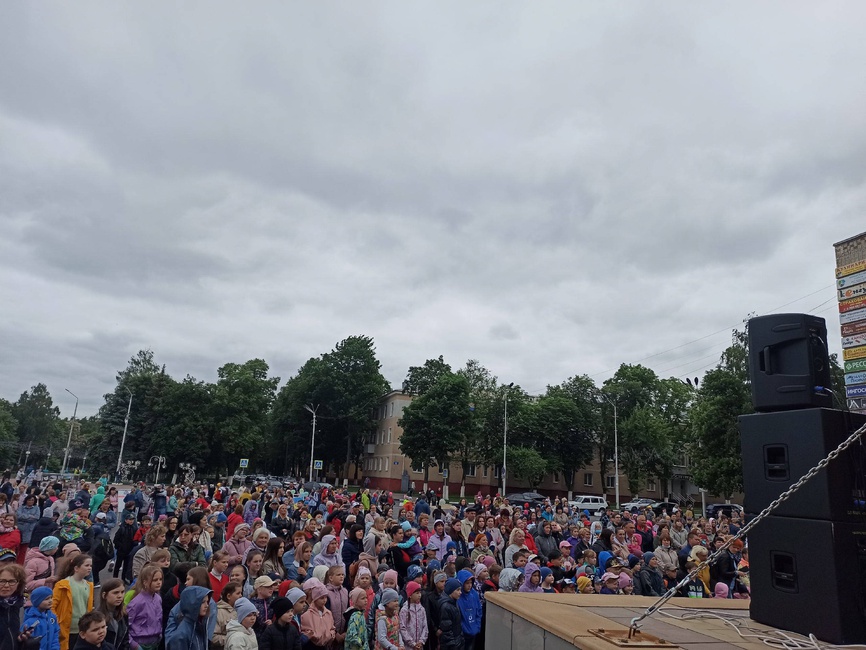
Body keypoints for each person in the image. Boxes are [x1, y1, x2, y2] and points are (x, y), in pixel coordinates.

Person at [53, 554, 94, 650]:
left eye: (91, 566)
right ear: (76, 568)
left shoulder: (89, 585)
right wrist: (56, 623)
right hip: (66, 629)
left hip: (82, 629)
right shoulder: (62, 585)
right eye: (86, 565)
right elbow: (52, 606)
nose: (89, 568)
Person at [127, 565, 164, 650]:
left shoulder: (158, 598)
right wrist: (134, 645)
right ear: (145, 582)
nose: (159, 582)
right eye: (155, 580)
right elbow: (126, 627)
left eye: (160, 579)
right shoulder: (137, 602)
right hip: (140, 643)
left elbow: (159, 619)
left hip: (155, 642)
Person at [166, 586, 212, 650]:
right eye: (203, 602)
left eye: (207, 601)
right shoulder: (181, 635)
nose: (206, 605)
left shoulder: (200, 627)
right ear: (192, 604)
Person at [21, 586, 59, 650]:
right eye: (46, 599)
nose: (50, 601)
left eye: (51, 597)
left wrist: (55, 648)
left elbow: (55, 636)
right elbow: (29, 643)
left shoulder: (52, 617)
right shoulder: (30, 621)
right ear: (37, 601)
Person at [300, 582, 335, 649]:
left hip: (325, 646)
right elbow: (305, 630)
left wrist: (330, 635)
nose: (324, 600)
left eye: (326, 597)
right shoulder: (307, 615)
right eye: (321, 598)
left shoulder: (328, 613)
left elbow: (332, 628)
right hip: (311, 646)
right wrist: (314, 635)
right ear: (315, 598)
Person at [96, 579, 128, 650]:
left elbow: (126, 639)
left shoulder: (123, 614)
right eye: (115, 593)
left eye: (122, 592)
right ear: (104, 595)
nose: (120, 596)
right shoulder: (97, 617)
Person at [213, 582, 242, 650]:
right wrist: (232, 639)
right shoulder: (218, 612)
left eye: (241, 593)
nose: (241, 596)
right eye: (238, 593)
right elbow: (214, 637)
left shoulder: (241, 609)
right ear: (228, 596)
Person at [399, 582, 426, 650]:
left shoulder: (422, 609)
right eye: (417, 593)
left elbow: (425, 627)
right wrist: (412, 643)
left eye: (420, 593)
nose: (419, 595)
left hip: (420, 646)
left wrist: (421, 641)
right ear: (410, 595)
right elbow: (402, 628)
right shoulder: (404, 610)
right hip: (408, 647)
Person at [438, 578, 463, 650]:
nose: (460, 592)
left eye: (460, 590)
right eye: (457, 590)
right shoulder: (446, 606)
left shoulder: (454, 602)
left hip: (457, 640)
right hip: (452, 644)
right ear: (450, 591)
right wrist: (454, 644)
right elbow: (447, 630)